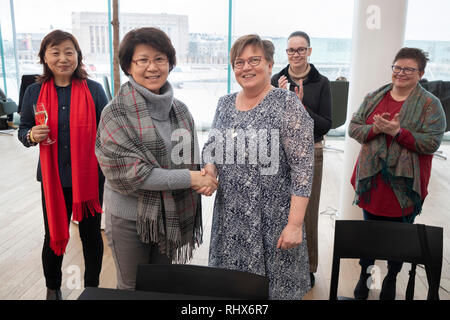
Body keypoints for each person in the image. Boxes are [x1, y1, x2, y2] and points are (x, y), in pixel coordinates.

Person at [95, 27, 217, 290]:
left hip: (169, 216)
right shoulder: (114, 113)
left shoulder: (181, 111)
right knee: (132, 288)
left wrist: (203, 176)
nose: (152, 67)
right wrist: (192, 178)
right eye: (143, 60)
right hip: (128, 218)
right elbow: (133, 174)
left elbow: (189, 160)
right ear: (128, 66)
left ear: (170, 64)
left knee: (160, 286)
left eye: (160, 59)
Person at [201, 34, 314, 300]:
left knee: (275, 291)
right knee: (232, 291)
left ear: (270, 64)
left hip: (274, 220)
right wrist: (210, 169)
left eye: (255, 60)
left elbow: (303, 169)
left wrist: (295, 224)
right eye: (239, 62)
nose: (246, 67)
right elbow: (212, 147)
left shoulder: (287, 104)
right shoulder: (225, 103)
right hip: (231, 217)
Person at [349, 47, 446, 300]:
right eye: (397, 67)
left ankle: (391, 276)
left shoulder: (429, 104)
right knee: (370, 234)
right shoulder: (374, 97)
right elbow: (354, 128)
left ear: (421, 73)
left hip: (405, 185)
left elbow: (432, 142)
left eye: (408, 69)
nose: (401, 73)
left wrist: (398, 133)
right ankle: (366, 275)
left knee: (399, 239)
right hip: (373, 181)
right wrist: (377, 129)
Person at [18, 30, 108, 300]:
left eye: (69, 51)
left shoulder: (94, 89)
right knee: (53, 235)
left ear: (78, 56)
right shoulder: (34, 91)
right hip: (53, 178)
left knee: (91, 237)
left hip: (90, 177)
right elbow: (23, 130)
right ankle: (53, 288)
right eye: (55, 52)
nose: (63, 58)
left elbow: (108, 130)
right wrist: (32, 135)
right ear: (45, 57)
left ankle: (92, 288)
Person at [271, 31, 332, 287]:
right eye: (290, 50)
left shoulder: (322, 82)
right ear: (286, 53)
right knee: (279, 211)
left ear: (309, 51)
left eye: (300, 49)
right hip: (279, 154)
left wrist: (299, 106)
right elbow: (271, 122)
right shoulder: (276, 79)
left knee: (307, 213)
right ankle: (278, 263)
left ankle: (308, 266)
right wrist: (282, 99)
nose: (295, 54)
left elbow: (326, 125)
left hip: (311, 152)